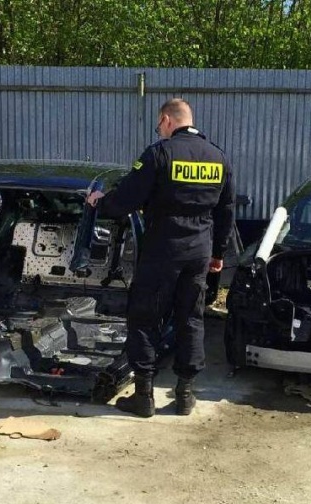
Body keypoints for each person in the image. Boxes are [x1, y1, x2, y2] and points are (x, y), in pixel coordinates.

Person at [87, 98, 235, 417]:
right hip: (199, 251)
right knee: (191, 318)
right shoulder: (218, 157)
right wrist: (219, 254)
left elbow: (128, 196)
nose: (160, 131)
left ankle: (144, 396)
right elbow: (226, 211)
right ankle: (184, 396)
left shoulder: (159, 153)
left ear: (167, 120)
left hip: (163, 249)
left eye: (159, 125)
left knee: (145, 317)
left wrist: (99, 203)